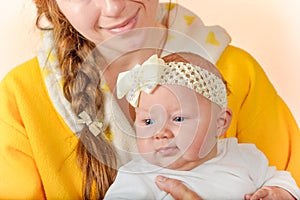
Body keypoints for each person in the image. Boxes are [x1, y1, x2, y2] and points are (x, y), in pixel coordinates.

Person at [0, 0, 299, 199]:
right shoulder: (19, 97)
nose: (114, 6)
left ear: (224, 120)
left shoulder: (235, 71)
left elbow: (287, 179)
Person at [104, 53, 300, 200]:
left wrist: (278, 192)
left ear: (220, 123)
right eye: (148, 122)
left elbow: (280, 178)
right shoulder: (138, 176)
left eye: (178, 118)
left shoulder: (245, 157)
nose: (160, 133)